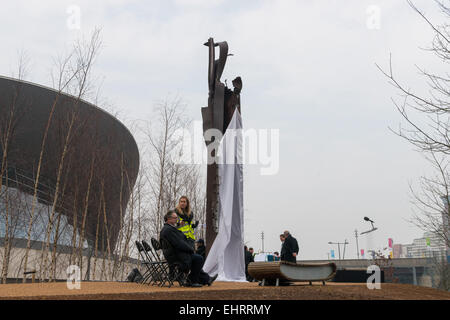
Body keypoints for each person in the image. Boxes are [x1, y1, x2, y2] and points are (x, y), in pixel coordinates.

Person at [160, 210, 217, 287]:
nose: (177, 220)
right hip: (176, 257)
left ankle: (205, 279)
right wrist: (190, 249)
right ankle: (191, 281)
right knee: (199, 258)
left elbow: (179, 242)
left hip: (173, 255)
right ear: (169, 219)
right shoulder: (169, 230)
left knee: (196, 258)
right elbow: (179, 244)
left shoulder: (167, 229)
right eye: (175, 218)